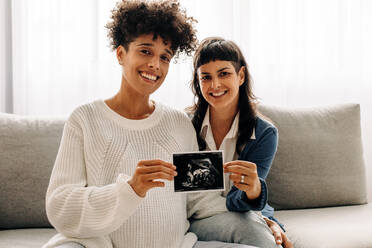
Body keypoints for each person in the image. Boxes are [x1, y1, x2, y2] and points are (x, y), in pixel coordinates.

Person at [43, 1, 257, 248]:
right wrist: (130, 190)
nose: (155, 65)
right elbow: (60, 206)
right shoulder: (84, 119)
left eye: (164, 57)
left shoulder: (179, 123)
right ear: (121, 54)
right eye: (146, 51)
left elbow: (201, 200)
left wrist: (259, 217)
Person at [187, 37, 294, 248]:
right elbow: (191, 198)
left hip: (239, 213)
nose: (215, 85)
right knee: (255, 231)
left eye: (224, 73)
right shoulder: (186, 126)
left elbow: (240, 203)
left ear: (241, 75)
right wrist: (260, 218)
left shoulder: (264, 133)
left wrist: (254, 193)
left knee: (259, 233)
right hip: (194, 218)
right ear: (198, 83)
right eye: (206, 77)